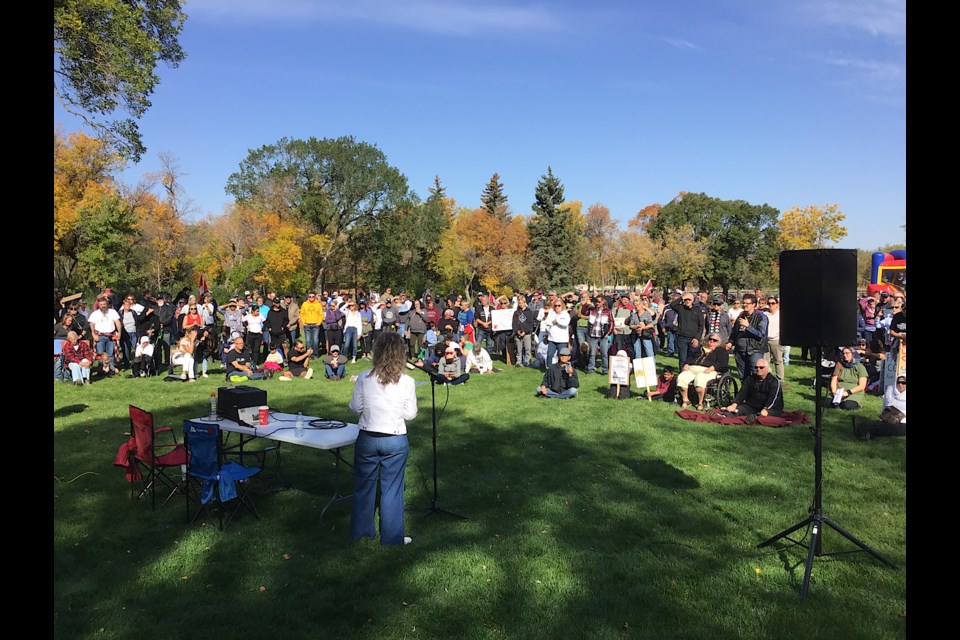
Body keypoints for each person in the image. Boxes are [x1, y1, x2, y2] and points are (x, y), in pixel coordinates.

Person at [349, 331, 418, 546]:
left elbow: (355, 407)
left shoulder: (364, 378)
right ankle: (391, 538)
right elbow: (410, 414)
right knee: (392, 489)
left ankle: (360, 532)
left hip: (368, 437)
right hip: (395, 438)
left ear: (377, 352)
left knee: (364, 486)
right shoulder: (406, 381)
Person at [676, 333, 731, 411]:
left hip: (708, 371)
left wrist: (712, 368)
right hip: (692, 369)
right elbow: (691, 357)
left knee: (700, 379)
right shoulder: (700, 348)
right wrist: (687, 364)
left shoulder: (721, 351)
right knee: (681, 378)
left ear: (719, 342)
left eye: (714, 340)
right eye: (710, 339)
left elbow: (722, 362)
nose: (712, 341)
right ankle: (686, 400)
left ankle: (700, 402)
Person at [727, 293, 769, 381]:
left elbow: (761, 334)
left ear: (753, 304)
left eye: (747, 303)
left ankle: (757, 394)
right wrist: (730, 342)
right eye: (744, 303)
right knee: (743, 377)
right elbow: (734, 332)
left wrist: (748, 326)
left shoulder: (761, 317)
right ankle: (745, 394)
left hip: (754, 351)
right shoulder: (741, 316)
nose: (744, 305)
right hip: (740, 352)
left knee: (757, 375)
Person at [853, 375, 907, 441]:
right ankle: (865, 430)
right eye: (898, 382)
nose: (900, 385)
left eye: (904, 383)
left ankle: (865, 430)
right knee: (884, 425)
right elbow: (886, 406)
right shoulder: (890, 390)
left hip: (904, 421)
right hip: (890, 417)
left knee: (893, 428)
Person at [668, 293, 705, 368]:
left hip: (693, 339)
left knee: (693, 359)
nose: (687, 301)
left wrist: (697, 338)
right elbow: (672, 305)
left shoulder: (697, 310)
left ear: (693, 301)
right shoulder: (681, 308)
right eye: (686, 300)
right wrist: (682, 297)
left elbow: (701, 326)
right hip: (682, 338)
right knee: (682, 359)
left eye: (689, 299)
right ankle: (682, 376)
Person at [88, 297, 122, 376]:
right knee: (100, 355)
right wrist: (93, 334)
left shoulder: (112, 312)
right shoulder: (95, 314)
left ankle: (111, 370)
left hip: (111, 335)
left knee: (111, 354)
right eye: (101, 304)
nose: (103, 306)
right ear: (98, 305)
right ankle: (101, 371)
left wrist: (119, 333)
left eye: (104, 304)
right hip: (100, 336)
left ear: (107, 304)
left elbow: (118, 322)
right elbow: (91, 324)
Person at [543, 298, 572, 369]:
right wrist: (553, 322)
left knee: (562, 356)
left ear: (562, 306)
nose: (557, 307)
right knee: (549, 355)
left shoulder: (565, 314)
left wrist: (557, 321)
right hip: (552, 339)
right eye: (555, 305)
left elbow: (565, 323)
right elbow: (547, 322)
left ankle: (562, 369)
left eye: (559, 305)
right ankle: (549, 370)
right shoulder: (551, 313)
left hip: (562, 340)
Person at [512, 295, 537, 367]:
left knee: (527, 348)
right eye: (519, 303)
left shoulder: (529, 312)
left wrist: (525, 332)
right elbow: (514, 323)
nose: (521, 304)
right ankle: (518, 362)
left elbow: (530, 323)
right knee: (518, 349)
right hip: (518, 333)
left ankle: (527, 361)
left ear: (525, 302)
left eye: (522, 303)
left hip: (527, 333)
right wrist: (517, 331)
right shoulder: (516, 312)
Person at [763, 296, 784, 380]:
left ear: (777, 305)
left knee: (778, 360)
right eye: (769, 303)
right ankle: (766, 377)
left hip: (776, 339)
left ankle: (780, 378)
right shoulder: (764, 314)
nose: (771, 305)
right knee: (765, 360)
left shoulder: (780, 314)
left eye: (773, 303)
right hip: (765, 340)